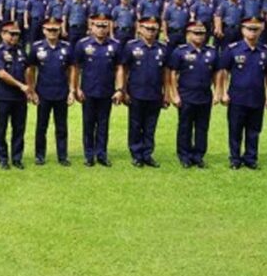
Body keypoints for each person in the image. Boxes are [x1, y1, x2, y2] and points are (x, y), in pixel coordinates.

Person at [218, 17, 267, 169]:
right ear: (242, 30)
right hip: (237, 97)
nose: (252, 32)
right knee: (235, 129)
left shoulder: (266, 51)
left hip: (257, 97)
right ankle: (235, 158)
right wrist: (223, 92)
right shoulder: (233, 49)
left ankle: (250, 158)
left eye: (256, 29)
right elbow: (223, 71)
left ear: (260, 31)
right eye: (249, 29)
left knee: (254, 130)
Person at [70, 13, 122, 167]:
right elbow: (75, 68)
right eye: (98, 25)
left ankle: (102, 154)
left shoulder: (115, 45)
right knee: (88, 124)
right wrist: (76, 88)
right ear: (91, 26)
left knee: (103, 124)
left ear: (108, 27)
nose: (101, 29)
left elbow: (120, 68)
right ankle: (89, 155)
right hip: (88, 91)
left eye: (104, 26)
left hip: (107, 91)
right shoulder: (82, 44)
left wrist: (119, 89)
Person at [166, 21, 219, 168]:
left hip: (204, 95)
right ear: (188, 34)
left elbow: (216, 73)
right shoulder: (180, 51)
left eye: (202, 33)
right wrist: (174, 94)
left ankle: (198, 156)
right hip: (186, 95)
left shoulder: (212, 51)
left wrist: (217, 92)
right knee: (185, 127)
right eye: (196, 33)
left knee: (202, 127)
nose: (200, 36)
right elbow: (172, 74)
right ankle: (184, 155)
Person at [118, 17, 169, 168]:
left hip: (154, 93)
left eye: (154, 29)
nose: (150, 32)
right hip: (136, 92)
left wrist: (166, 93)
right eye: (147, 28)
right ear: (140, 29)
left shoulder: (163, 48)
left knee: (150, 126)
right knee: (135, 124)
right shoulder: (131, 46)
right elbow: (124, 69)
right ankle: (136, 154)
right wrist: (123, 90)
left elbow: (166, 72)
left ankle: (147, 154)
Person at [26, 17, 73, 166]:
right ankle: (40, 155)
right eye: (49, 30)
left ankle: (63, 156)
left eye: (55, 30)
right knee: (41, 126)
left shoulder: (66, 47)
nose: (52, 32)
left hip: (61, 92)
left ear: (59, 30)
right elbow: (30, 69)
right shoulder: (36, 47)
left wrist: (72, 90)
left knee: (61, 127)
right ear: (44, 30)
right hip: (43, 93)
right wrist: (32, 90)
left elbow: (72, 69)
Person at [0, 22, 32, 169]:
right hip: (4, 96)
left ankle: (17, 158)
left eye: (17, 34)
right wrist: (21, 86)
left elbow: (27, 70)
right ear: (2, 34)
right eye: (11, 33)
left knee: (19, 128)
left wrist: (30, 89)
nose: (15, 37)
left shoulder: (21, 51)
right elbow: (1, 74)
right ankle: (2, 158)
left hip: (20, 98)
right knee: (1, 128)